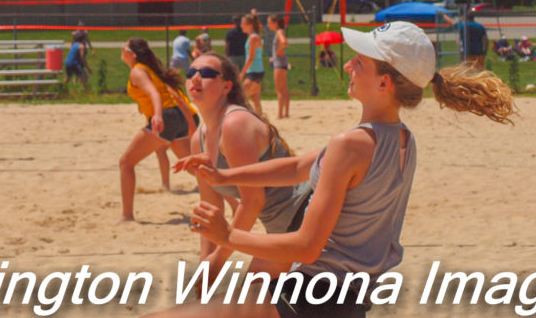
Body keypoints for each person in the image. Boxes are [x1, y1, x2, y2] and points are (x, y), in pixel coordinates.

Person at [154, 21, 514, 318]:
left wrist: (226, 237)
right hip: (347, 302)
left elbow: (307, 247)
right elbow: (297, 166)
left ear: (384, 83)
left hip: (309, 300)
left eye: (359, 62)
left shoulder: (352, 144)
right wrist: (225, 176)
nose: (347, 66)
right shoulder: (402, 140)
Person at [178, 53, 306, 276]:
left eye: (206, 73)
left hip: (306, 216)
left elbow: (254, 200)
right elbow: (210, 209)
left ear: (226, 86)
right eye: (190, 73)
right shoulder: (198, 140)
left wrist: (218, 259)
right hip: (282, 227)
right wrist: (205, 263)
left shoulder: (234, 123)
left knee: (250, 301)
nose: (196, 78)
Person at [118, 37, 198, 222]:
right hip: (177, 118)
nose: (121, 51)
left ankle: (127, 215)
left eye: (123, 47)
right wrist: (190, 123)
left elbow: (154, 93)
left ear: (131, 54)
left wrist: (158, 115)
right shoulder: (148, 69)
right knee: (192, 167)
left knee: (126, 163)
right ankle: (231, 194)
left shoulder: (138, 71)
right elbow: (169, 94)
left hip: (167, 117)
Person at [240, 13, 265, 116]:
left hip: (254, 72)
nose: (241, 26)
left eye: (243, 23)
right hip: (256, 71)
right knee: (255, 99)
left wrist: (242, 73)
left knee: (241, 98)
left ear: (250, 25)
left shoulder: (253, 37)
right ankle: (262, 121)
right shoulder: (252, 36)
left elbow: (251, 58)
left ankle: (249, 120)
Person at [268, 14, 291, 119]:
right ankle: (286, 113)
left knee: (279, 90)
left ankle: (280, 114)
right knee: (284, 89)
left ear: (275, 23)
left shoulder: (279, 32)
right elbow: (285, 42)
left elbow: (284, 42)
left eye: (269, 22)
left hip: (279, 63)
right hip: (282, 62)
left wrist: (279, 51)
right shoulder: (280, 31)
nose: (268, 25)